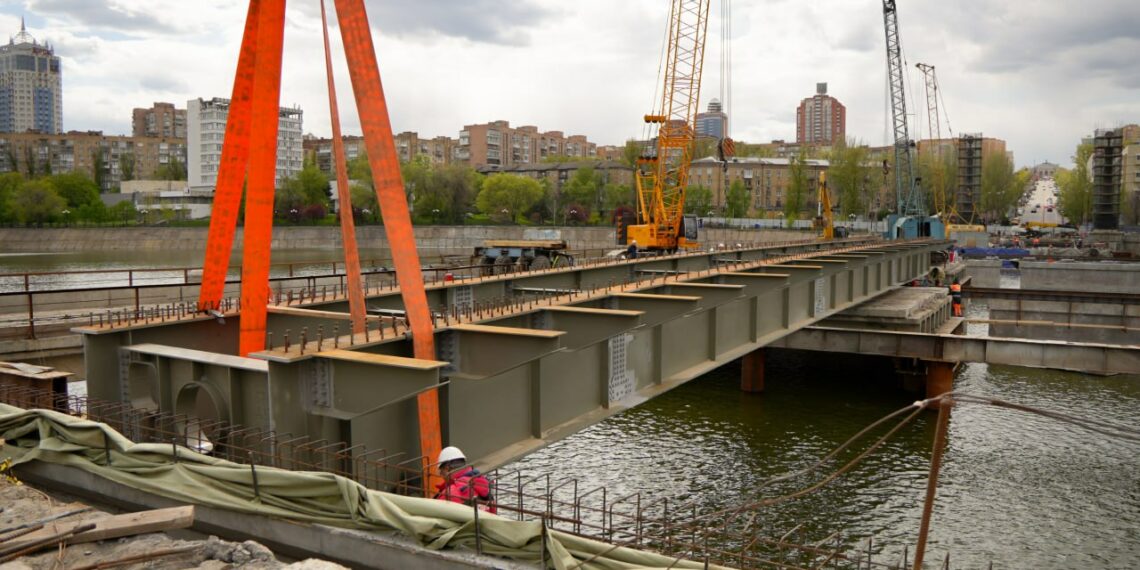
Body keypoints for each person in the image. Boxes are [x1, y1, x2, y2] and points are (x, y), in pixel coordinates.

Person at [434, 446, 497, 513]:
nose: (441, 476)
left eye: (441, 472)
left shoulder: (449, 493)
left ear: (446, 468)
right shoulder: (482, 483)